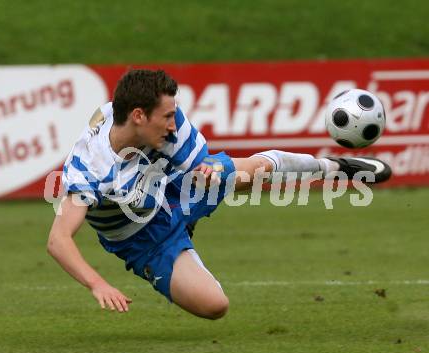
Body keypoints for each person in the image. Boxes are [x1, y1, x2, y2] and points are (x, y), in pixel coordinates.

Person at [47, 69, 391, 320]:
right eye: (166, 116)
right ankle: (180, 240)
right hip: (141, 237)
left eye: (173, 114)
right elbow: (59, 240)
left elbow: (199, 163)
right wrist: (97, 285)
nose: (173, 122)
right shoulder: (90, 169)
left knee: (243, 175)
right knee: (214, 307)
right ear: (138, 116)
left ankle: (335, 168)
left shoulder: (162, 123)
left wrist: (209, 169)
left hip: (169, 188)